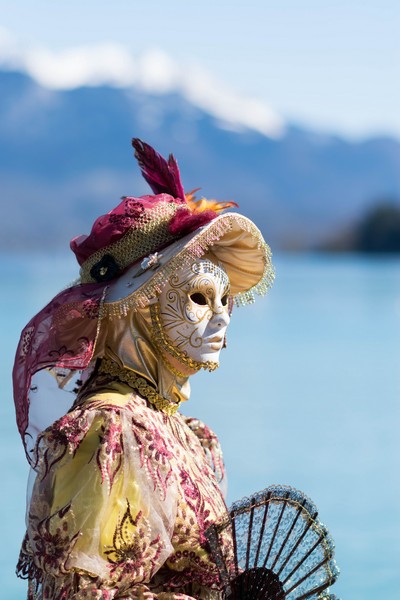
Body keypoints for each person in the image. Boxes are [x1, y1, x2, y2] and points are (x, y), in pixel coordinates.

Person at [14, 139, 274, 599]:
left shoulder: (180, 430)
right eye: (197, 297)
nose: (222, 317)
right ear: (137, 308)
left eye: (225, 300)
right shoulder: (108, 430)